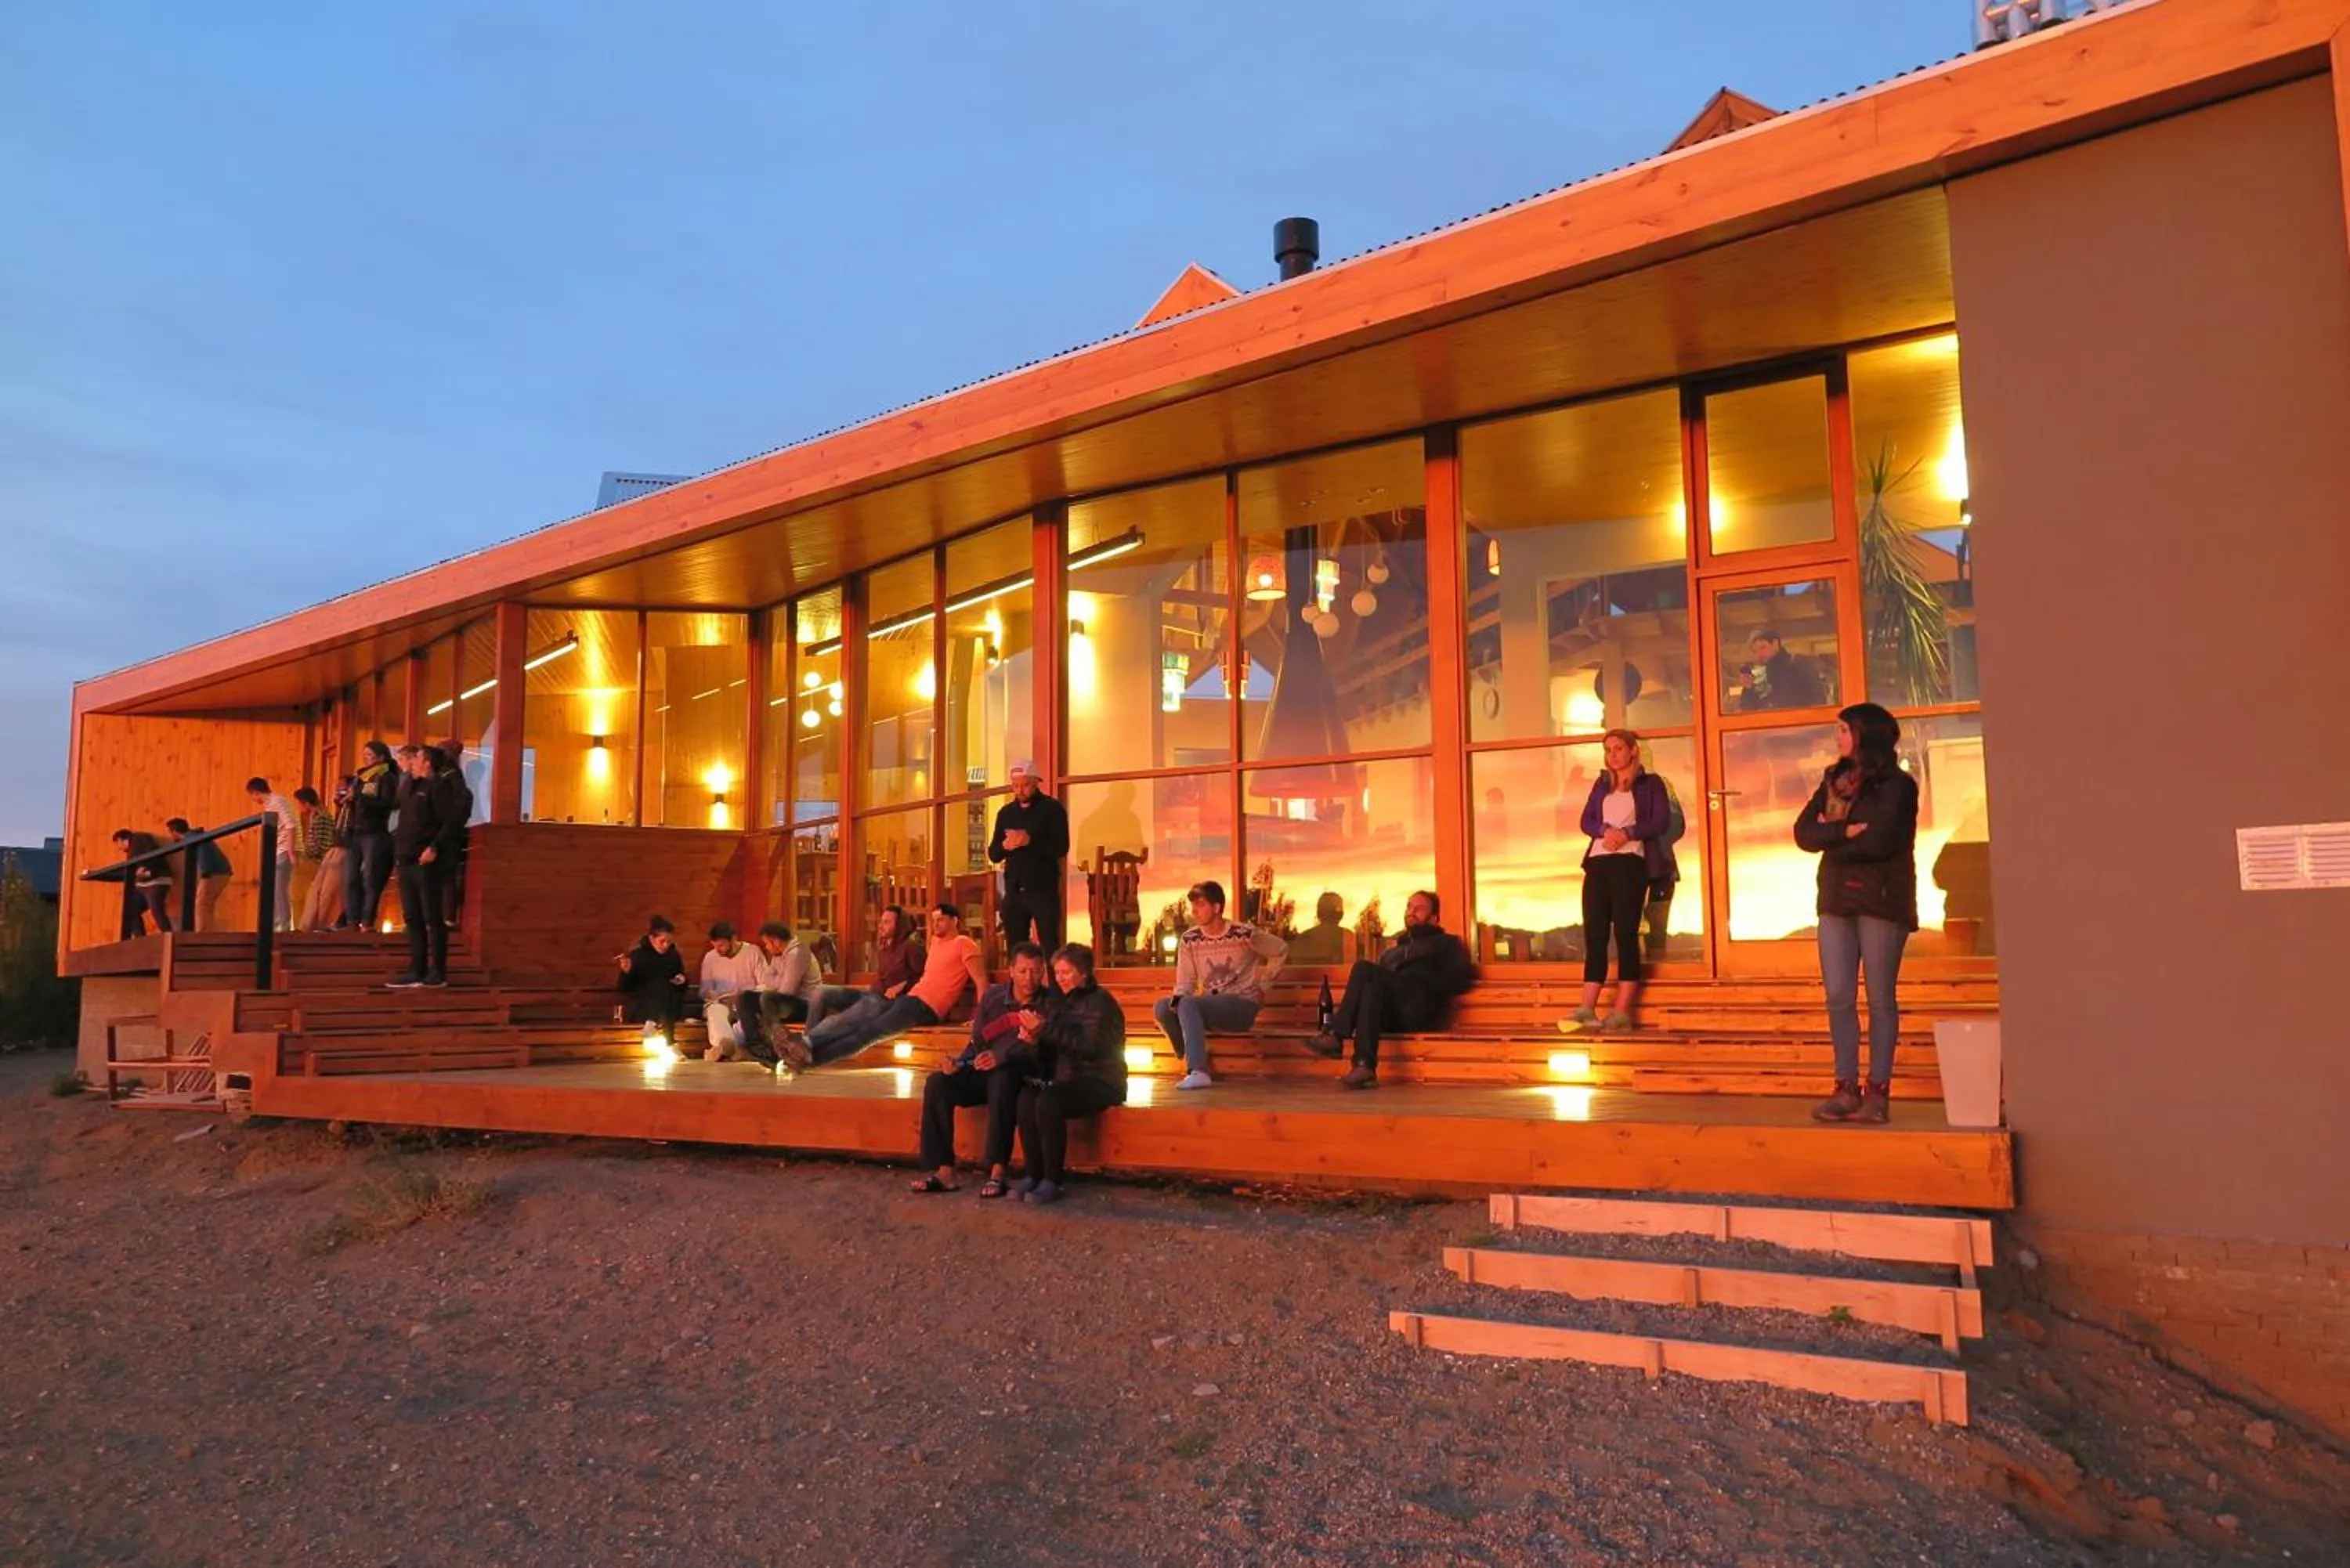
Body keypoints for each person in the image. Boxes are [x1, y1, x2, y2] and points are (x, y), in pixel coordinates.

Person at [1795, 703, 1922, 1126]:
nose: (1838, 737)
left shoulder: (1898, 787)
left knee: (1880, 997)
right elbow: (1802, 832)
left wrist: (1831, 838)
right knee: (1838, 996)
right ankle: (1845, 1087)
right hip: (1835, 899)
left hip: (1882, 900)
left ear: (1866, 735)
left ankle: (1878, 1092)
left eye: (1845, 730)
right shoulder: (1834, 781)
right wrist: (1842, 832)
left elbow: (1881, 841)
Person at [1560, 729, 1673, 1034]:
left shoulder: (1651, 784)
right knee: (1595, 932)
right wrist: (1606, 830)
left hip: (1630, 863)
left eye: (1619, 748)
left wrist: (1627, 834)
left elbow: (1660, 821)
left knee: (1625, 933)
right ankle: (1587, 1008)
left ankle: (1622, 1011)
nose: (1613, 755)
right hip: (1598, 862)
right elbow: (1586, 820)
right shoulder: (1601, 784)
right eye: (1608, 750)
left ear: (1633, 751)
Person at [910, 942, 1047, 1197]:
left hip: (1022, 1074)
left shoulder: (1047, 1004)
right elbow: (978, 1042)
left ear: (1043, 972)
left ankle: (998, 1171)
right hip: (985, 1068)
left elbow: (1042, 1052)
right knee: (938, 1083)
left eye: (1036, 971)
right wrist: (959, 1063)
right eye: (1023, 971)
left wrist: (1001, 1057)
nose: (1029, 978)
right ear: (1011, 971)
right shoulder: (993, 999)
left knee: (1002, 1078)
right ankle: (944, 1171)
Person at [1301, 890, 1473, 1089]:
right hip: (1393, 1014)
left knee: (1363, 968)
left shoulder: (1446, 944)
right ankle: (1364, 1067)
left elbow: (1459, 980)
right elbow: (1378, 986)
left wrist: (1423, 979)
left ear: (1434, 918)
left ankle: (1336, 1035)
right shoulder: (1394, 951)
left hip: (1420, 1008)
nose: (1411, 912)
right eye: (1409, 907)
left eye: (1419, 908)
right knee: (1371, 988)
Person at [1012, 943, 1127, 1205]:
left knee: (1050, 1099)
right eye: (1057, 972)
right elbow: (1054, 1050)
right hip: (1069, 1077)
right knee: (1027, 1096)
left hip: (1102, 1079)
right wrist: (1034, 1042)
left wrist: (1046, 1031)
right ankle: (1034, 1173)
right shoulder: (1059, 1002)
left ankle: (1053, 1180)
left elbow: (1092, 1049)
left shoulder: (1101, 1003)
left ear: (1083, 974)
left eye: (1066, 972)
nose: (1060, 978)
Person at [804, 903, 983, 1067]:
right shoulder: (935, 942)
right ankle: (808, 1047)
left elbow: (981, 982)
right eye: (934, 920)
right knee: (857, 1022)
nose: (935, 924)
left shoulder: (965, 944)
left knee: (868, 1032)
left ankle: (811, 1055)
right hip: (909, 999)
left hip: (926, 1007)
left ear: (955, 921)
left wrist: (981, 1016)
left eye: (941, 920)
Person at [1152, 880, 1287, 1089]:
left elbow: (1280, 950)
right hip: (1208, 1006)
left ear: (1217, 908)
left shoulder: (1243, 933)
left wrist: (1263, 986)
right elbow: (1185, 982)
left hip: (1241, 1005)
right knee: (1162, 1007)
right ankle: (1191, 1055)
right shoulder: (1190, 939)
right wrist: (1176, 1001)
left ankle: (1198, 1070)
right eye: (1193, 906)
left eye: (1201, 905)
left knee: (1189, 1005)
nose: (1195, 911)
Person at [385, 743, 465, 988]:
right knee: (412, 916)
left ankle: (438, 971)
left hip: (426, 859)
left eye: (418, 757)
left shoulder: (438, 787)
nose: (413, 761)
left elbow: (449, 821)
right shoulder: (410, 785)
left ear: (428, 762)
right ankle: (416, 969)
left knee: (432, 916)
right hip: (405, 857)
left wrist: (434, 846)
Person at [988, 761, 1070, 953]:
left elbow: (1061, 847)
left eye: (1025, 785)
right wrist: (1005, 845)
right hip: (1014, 890)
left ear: (1036, 783)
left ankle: (1055, 984)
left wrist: (1029, 841)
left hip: (1043, 889)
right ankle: (1019, 983)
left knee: (1050, 946)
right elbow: (993, 854)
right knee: (1016, 950)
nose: (1020, 791)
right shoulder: (1006, 813)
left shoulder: (1052, 809)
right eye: (1015, 786)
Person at [804, 905, 924, 1032]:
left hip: (885, 1003)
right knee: (821, 992)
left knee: (835, 1022)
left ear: (900, 926)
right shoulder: (884, 949)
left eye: (887, 922)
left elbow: (924, 978)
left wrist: (903, 985)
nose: (880, 926)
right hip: (871, 994)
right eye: (881, 922)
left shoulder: (911, 948)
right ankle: (807, 1042)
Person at [742, 921, 824, 1068]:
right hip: (785, 1002)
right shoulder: (778, 955)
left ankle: (777, 1049)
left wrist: (775, 980)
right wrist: (778, 980)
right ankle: (758, 1047)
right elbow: (766, 978)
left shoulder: (798, 953)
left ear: (776, 941)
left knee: (768, 998)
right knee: (745, 998)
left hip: (806, 1005)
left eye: (767, 943)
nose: (766, 947)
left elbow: (788, 990)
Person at [340, 740, 398, 930]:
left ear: (382, 757)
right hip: (355, 830)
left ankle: (367, 921)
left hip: (374, 831)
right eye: (364, 755)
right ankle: (351, 920)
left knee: (371, 879)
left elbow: (386, 802)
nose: (366, 759)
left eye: (370, 756)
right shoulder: (360, 776)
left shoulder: (386, 776)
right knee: (350, 878)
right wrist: (345, 800)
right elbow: (359, 801)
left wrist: (358, 797)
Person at [696, 920, 765, 1061]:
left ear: (733, 939)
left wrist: (742, 996)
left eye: (721, 945)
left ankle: (723, 1051)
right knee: (715, 1011)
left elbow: (766, 985)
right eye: (714, 946)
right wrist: (710, 994)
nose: (717, 950)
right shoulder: (710, 957)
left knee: (747, 1024)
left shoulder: (753, 952)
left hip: (746, 1006)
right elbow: (704, 990)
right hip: (722, 1004)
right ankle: (727, 1046)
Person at [616, 915, 689, 1041]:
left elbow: (681, 981)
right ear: (651, 939)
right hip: (642, 1006)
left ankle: (653, 1024)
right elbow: (624, 988)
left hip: (668, 1006)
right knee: (659, 986)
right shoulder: (638, 956)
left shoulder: (673, 956)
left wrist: (682, 980)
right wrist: (626, 973)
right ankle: (668, 1042)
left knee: (665, 988)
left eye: (669, 942)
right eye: (662, 941)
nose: (666, 945)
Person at [245, 776, 301, 933]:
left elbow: (291, 825)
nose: (253, 799)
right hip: (278, 851)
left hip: (284, 850)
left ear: (255, 793)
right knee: (274, 889)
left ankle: (283, 926)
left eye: (252, 796)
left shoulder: (277, 802)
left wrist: (291, 852)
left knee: (279, 889)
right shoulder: (271, 805)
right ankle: (276, 925)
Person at [1643, 771, 1688, 965]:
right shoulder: (1616, 784)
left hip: (1661, 869)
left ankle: (1656, 972)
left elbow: (1677, 826)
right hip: (1631, 869)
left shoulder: (1662, 785)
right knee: (1632, 928)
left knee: (1657, 930)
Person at [302, 778, 353, 932]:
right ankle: (309, 925)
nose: (338, 792)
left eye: (342, 789)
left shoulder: (352, 807)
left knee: (330, 891)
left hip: (344, 849)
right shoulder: (341, 809)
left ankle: (326, 922)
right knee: (317, 891)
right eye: (337, 789)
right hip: (334, 849)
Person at [164, 818, 233, 932]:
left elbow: (204, 855)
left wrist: (205, 873)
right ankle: (208, 931)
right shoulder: (197, 836)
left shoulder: (193, 839)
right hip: (222, 872)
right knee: (207, 904)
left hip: (214, 873)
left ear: (174, 832)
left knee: (201, 904)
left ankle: (202, 933)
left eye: (170, 833)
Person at [435, 739, 475, 930]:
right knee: (447, 877)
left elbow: (453, 811)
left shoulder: (449, 779)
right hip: (451, 833)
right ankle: (446, 918)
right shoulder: (454, 778)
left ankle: (447, 918)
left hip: (447, 834)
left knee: (446, 877)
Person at [1739, 628, 1827, 712]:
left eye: (1763, 647)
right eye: (1756, 651)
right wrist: (1748, 689)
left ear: (1775, 643)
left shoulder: (1799, 664)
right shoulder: (1758, 676)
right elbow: (1748, 709)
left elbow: (1817, 698)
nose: (1760, 654)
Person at [110, 828, 172, 934]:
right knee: (131, 910)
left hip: (156, 881)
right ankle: (141, 940)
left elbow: (152, 853)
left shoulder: (139, 839)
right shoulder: (134, 849)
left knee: (156, 911)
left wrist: (146, 867)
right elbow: (130, 870)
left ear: (121, 840)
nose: (119, 848)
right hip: (144, 885)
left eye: (118, 844)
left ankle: (170, 937)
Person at [1285, 891, 1350, 966]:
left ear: (1319, 913)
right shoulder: (1349, 938)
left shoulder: (1304, 938)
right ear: (1340, 915)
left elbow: (1297, 968)